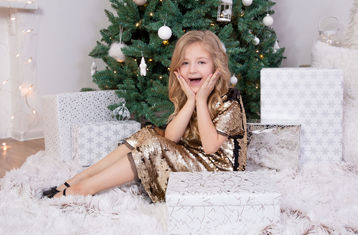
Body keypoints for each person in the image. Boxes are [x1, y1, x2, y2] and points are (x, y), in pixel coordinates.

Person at [42, 30, 247, 203]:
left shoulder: (230, 101)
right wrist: (191, 102)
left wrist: (201, 102)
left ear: (216, 67)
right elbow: (171, 138)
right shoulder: (188, 98)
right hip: (193, 160)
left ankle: (85, 188)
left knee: (154, 146)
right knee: (148, 133)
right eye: (185, 63)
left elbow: (211, 147)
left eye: (201, 62)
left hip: (218, 175)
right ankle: (81, 177)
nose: (192, 69)